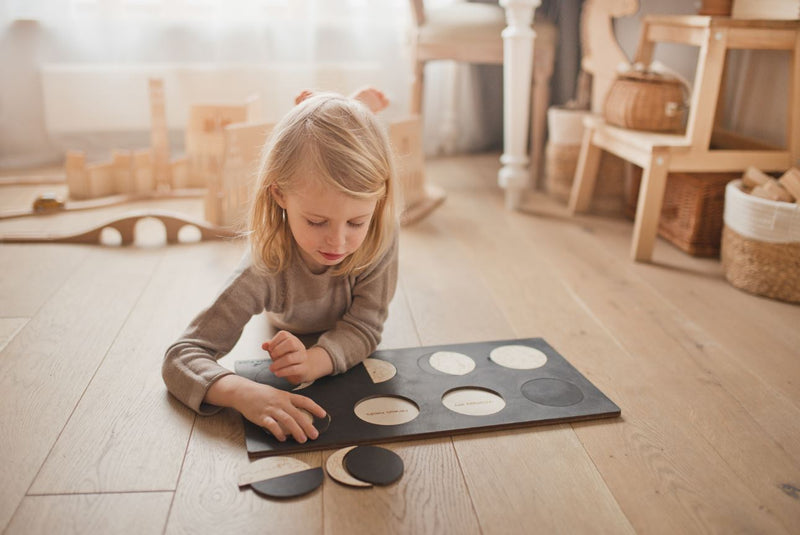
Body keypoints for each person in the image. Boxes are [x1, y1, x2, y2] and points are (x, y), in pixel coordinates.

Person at [162, 89, 399, 444]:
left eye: (356, 222)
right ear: (280, 195)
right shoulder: (263, 266)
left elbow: (365, 326)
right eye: (317, 222)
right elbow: (181, 357)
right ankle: (332, 103)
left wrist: (314, 360)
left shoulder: (380, 231)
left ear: (377, 204)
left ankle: (344, 103)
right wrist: (242, 393)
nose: (337, 242)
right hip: (285, 320)